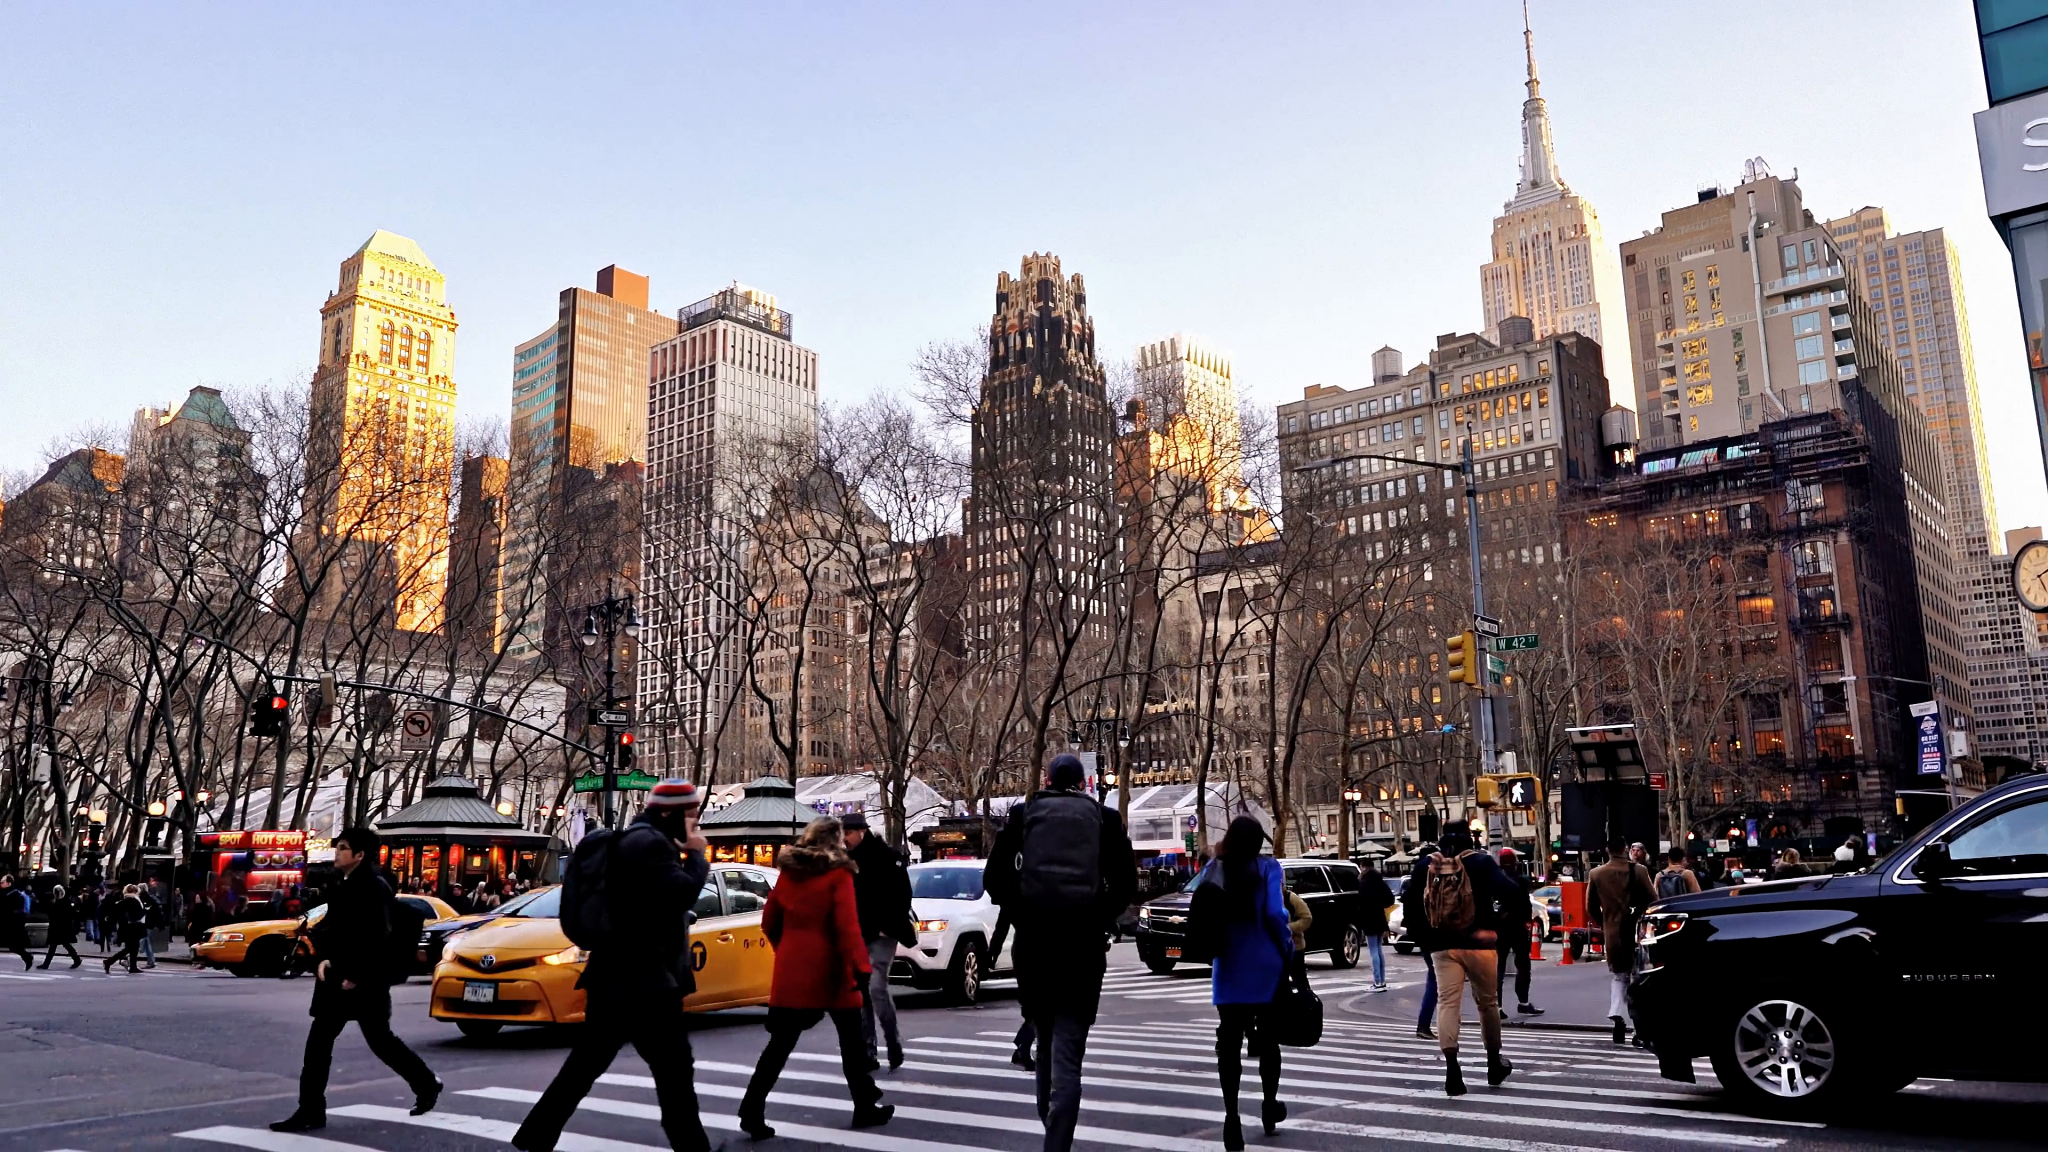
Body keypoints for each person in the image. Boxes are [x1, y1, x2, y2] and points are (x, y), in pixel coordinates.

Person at [513, 782, 714, 1152]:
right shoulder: (651, 846)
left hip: (614, 974)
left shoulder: (635, 841)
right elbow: (682, 894)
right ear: (669, 812)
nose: (695, 821)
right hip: (646, 980)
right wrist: (698, 856)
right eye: (691, 814)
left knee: (586, 1064)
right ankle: (692, 1146)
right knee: (673, 1069)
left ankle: (536, 1134)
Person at [984, 753, 1137, 1152]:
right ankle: (1057, 1143)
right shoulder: (1105, 820)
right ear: (1084, 783)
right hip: (1083, 952)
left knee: (1045, 1042)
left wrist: (1023, 912)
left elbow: (994, 879)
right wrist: (1099, 916)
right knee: (1068, 1057)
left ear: (1047, 780)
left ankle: (1050, 1129)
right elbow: (1126, 885)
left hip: (1035, 950)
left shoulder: (1024, 816)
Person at [270, 827, 440, 1132]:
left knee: (376, 1041)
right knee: (328, 1042)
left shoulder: (372, 887)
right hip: (342, 976)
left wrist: (353, 974)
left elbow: (376, 936)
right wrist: (323, 957)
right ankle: (311, 1109)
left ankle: (425, 1083)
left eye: (343, 848)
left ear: (360, 855)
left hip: (360, 979)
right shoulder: (346, 883)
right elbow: (336, 930)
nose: (337, 853)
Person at [737, 818, 894, 1140]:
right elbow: (847, 926)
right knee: (851, 1041)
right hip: (834, 969)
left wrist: (788, 949)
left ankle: (752, 1108)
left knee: (779, 1045)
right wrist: (860, 966)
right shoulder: (839, 874)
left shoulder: (789, 873)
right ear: (836, 841)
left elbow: (769, 921)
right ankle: (864, 1104)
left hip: (793, 967)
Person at [1401, 824, 1515, 1095]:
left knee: (1447, 1003)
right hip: (1480, 944)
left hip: (1441, 946)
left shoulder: (1427, 866)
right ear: (1470, 838)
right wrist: (1499, 924)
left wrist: (1426, 940)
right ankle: (1493, 1063)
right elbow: (1511, 893)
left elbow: (1410, 906)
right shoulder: (1481, 862)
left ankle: (1452, 1071)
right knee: (1488, 1003)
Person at [1201, 817, 1292, 1151]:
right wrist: (1287, 944)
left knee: (1229, 1043)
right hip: (1265, 962)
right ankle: (1269, 1104)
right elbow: (1274, 913)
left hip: (1228, 963)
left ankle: (1231, 1119)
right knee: (1269, 1039)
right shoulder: (1268, 868)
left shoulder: (1215, 867)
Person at [844, 810, 916, 1071]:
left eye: (848, 833)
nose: (844, 838)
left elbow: (903, 895)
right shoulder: (846, 861)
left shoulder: (887, 857)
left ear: (862, 832)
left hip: (883, 933)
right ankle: (868, 1050)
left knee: (876, 987)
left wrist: (889, 926)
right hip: (858, 933)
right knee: (861, 992)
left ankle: (892, 1040)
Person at [1585, 838, 1655, 1046]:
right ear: (1625, 849)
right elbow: (1653, 900)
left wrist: (1605, 924)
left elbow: (1590, 907)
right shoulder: (1639, 871)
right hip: (1637, 932)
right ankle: (1638, 1029)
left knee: (1619, 976)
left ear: (1607, 850)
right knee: (1639, 980)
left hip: (1613, 933)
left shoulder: (1596, 873)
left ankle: (1616, 1012)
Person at [1494, 848, 1541, 1018]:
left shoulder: (1495, 879)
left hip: (1499, 927)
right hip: (1518, 926)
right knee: (1523, 964)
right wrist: (1527, 921)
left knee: (1498, 967)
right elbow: (1525, 904)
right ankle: (1523, 1002)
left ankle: (1497, 1006)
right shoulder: (1521, 880)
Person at [1399, 843, 1439, 1039]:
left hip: (1422, 934)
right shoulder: (1430, 881)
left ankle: (1427, 1023)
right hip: (1432, 933)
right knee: (1436, 977)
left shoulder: (1413, 884)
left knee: (1436, 976)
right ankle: (1425, 1024)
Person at [1357, 859, 1395, 993]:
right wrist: (1380, 904)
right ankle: (1382, 981)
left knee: (1373, 950)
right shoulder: (1380, 881)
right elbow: (1390, 899)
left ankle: (1377, 981)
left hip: (1368, 918)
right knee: (1378, 950)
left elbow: (1360, 902)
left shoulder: (1363, 883)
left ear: (1363, 867)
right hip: (1380, 917)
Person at [103, 884, 149, 973]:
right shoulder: (132, 900)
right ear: (136, 891)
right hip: (133, 927)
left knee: (133, 948)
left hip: (129, 927)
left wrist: (109, 918)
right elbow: (135, 916)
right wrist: (145, 911)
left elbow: (115, 911)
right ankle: (109, 961)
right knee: (131, 948)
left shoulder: (127, 900)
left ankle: (132, 967)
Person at [39, 885, 82, 969]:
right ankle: (76, 959)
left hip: (62, 928)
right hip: (58, 928)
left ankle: (76, 959)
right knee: (58, 946)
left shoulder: (64, 902)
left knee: (63, 945)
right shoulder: (59, 902)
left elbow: (69, 916)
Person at [0, 875, 32, 969]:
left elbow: (16, 910)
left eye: (2, 882)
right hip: (6, 923)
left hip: (11, 924)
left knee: (13, 946)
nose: (1, 884)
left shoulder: (15, 894)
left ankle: (27, 957)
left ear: (9, 883)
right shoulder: (6, 893)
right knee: (13, 946)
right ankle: (27, 957)